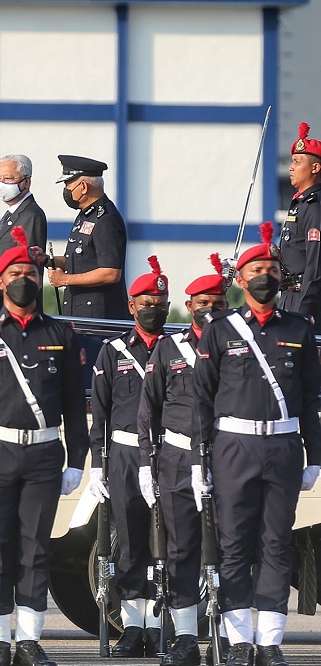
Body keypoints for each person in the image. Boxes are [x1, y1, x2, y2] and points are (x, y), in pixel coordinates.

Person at [0, 227, 87, 666]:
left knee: (35, 548)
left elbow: (71, 402)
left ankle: (28, 639)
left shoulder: (62, 333)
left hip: (45, 456)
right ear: (2, 280)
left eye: (31, 271)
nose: (25, 278)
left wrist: (77, 460)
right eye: (16, 272)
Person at [193, 222, 320, 666]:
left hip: (283, 449)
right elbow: (202, 399)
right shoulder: (219, 329)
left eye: (271, 267)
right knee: (234, 544)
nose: (265, 275)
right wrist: (200, 459)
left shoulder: (300, 328)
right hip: (233, 448)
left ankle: (269, 641)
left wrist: (315, 456)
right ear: (241, 279)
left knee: (276, 543)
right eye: (256, 269)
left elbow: (309, 397)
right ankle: (239, 639)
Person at [137, 255, 228, 666]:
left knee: (231, 546)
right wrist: (145, 462)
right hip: (176, 455)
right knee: (181, 548)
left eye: (219, 302)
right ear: (189, 306)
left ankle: (230, 633)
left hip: (225, 455)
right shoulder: (169, 348)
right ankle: (187, 637)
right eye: (203, 303)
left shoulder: (238, 344)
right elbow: (148, 409)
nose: (211, 310)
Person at [87, 256, 170, 657]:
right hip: (123, 453)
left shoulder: (177, 349)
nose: (154, 308)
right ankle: (134, 626)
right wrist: (98, 464)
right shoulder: (113, 351)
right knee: (132, 541)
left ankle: (159, 625)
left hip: (170, 451)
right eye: (147, 302)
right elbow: (98, 413)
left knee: (168, 541)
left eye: (161, 301)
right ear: (132, 306)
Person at [47, 155, 129, 320]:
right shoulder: (85, 215)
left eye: (68, 184)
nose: (66, 190)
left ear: (83, 186)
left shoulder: (106, 219)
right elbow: (80, 260)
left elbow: (110, 273)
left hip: (99, 321)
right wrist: (46, 260)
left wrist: (65, 279)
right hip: (78, 316)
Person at [0, 155, 48, 302]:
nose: (1, 184)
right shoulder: (11, 214)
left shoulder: (31, 215)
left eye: (8, 179)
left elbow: (25, 268)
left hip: (13, 305)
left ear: (26, 181)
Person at [278, 122, 321, 329]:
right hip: (288, 298)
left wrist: (303, 313)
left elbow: (315, 266)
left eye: (297, 161)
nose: (291, 167)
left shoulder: (315, 206)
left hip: (305, 304)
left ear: (315, 167)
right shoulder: (301, 204)